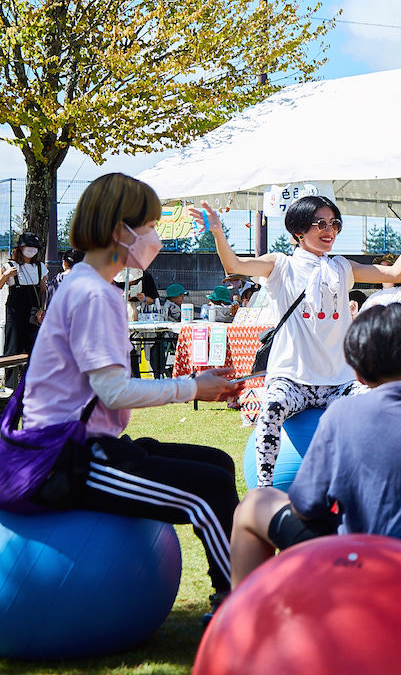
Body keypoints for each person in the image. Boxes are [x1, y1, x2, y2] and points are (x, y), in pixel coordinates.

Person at [14, 173, 240, 613]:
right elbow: (113, 391)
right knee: (208, 487)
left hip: (88, 446)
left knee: (218, 461)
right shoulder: (94, 294)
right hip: (67, 460)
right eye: (151, 226)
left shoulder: (89, 285)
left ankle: (232, 589)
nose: (155, 237)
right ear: (121, 230)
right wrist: (194, 386)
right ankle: (234, 600)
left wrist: (198, 384)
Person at [191, 194, 401, 485]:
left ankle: (389, 481)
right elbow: (234, 266)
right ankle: (263, 490)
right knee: (271, 411)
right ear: (298, 231)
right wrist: (217, 231)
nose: (330, 230)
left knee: (386, 405)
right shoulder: (281, 265)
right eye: (320, 224)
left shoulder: (341, 267)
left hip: (339, 382)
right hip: (293, 381)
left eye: (334, 223)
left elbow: (396, 273)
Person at [228, 302, 401, 588]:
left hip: (363, 561)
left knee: (254, 503)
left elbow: (306, 505)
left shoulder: (341, 414)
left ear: (358, 375)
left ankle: (240, 618)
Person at [1, 232, 48, 368]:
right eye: (29, 246)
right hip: (15, 310)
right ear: (20, 248)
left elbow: (43, 290)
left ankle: (30, 383)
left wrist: (42, 309)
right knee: (13, 345)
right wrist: (5, 275)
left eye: (35, 247)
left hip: (33, 311)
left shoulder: (40, 267)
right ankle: (11, 385)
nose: (32, 250)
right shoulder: (9, 265)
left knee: (33, 346)